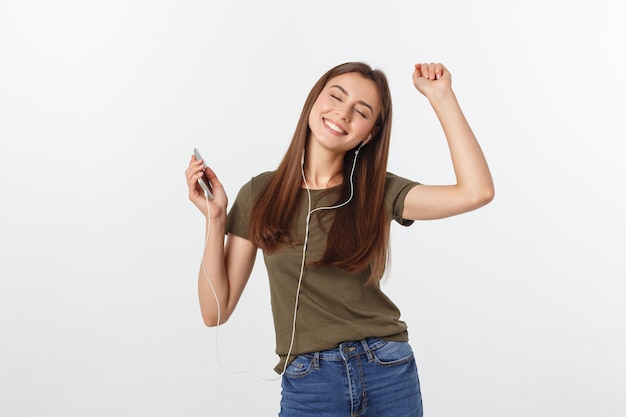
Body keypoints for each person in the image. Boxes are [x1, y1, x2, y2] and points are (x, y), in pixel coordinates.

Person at [185, 61, 494, 417]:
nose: (342, 114)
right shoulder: (260, 193)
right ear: (314, 99)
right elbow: (214, 311)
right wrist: (215, 218)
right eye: (336, 96)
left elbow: (477, 192)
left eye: (360, 112)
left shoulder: (377, 191)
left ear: (369, 133)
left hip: (387, 370)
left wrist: (442, 97)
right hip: (310, 381)